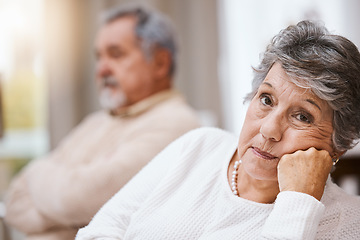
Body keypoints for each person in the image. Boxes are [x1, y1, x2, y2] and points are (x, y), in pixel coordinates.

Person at [76, 20, 360, 240]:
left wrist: (299, 204)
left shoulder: (347, 224)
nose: (269, 129)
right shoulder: (201, 145)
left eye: (302, 116)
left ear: (339, 143)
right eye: (266, 99)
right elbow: (99, 231)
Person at [4, 4, 201, 240]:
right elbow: (14, 201)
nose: (101, 69)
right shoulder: (96, 122)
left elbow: (76, 199)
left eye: (116, 54)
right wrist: (69, 215)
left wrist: (39, 181)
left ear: (160, 63)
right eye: (99, 57)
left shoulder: (177, 124)